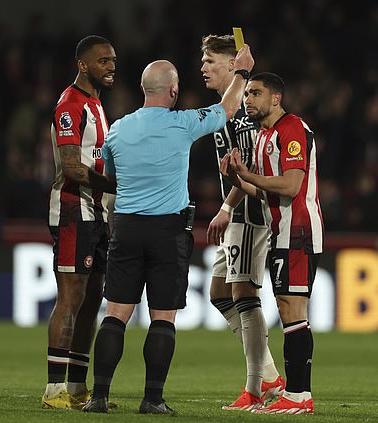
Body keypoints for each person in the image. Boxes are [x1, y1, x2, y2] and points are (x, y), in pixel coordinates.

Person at [82, 45, 255, 415]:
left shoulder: (117, 130)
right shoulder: (184, 123)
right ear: (173, 91)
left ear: (145, 90)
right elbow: (226, 110)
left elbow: (110, 181)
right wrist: (241, 73)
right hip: (167, 231)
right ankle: (152, 399)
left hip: (125, 228)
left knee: (114, 315)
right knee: (162, 317)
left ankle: (98, 397)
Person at [221, 72, 324, 415]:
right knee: (286, 308)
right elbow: (265, 192)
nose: (248, 99)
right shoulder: (266, 136)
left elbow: (292, 186)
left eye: (255, 93)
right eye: (247, 93)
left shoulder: (291, 129)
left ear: (276, 98)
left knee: (294, 310)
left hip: (299, 231)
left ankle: (298, 395)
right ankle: (293, 394)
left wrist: (248, 175)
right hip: (282, 231)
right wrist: (237, 176)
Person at [200, 34, 284, 410]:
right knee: (220, 292)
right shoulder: (224, 108)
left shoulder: (243, 114)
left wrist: (225, 206)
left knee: (244, 295)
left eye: (210, 61)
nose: (203, 68)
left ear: (233, 66)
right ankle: (269, 375)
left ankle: (257, 387)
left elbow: (249, 168)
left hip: (249, 215)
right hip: (237, 215)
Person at [42, 35, 118, 410]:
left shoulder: (97, 105)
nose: (111, 67)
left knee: (92, 299)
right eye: (103, 61)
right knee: (71, 296)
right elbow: (72, 166)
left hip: (97, 214)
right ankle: (54, 389)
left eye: (113, 60)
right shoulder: (70, 105)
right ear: (83, 65)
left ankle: (75, 387)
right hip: (74, 210)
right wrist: (117, 184)